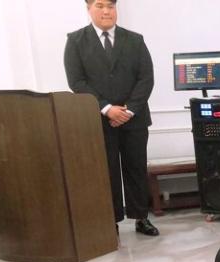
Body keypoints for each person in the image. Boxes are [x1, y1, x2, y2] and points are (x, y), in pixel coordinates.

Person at [64, 0, 159, 236]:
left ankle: (141, 217)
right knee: (106, 172)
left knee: (136, 168)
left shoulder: (135, 40)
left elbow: (146, 78)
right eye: (99, 5)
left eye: (110, 6)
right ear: (88, 8)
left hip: (134, 119)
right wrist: (106, 108)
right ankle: (111, 220)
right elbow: (77, 81)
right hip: (98, 120)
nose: (106, 11)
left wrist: (128, 110)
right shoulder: (75, 41)